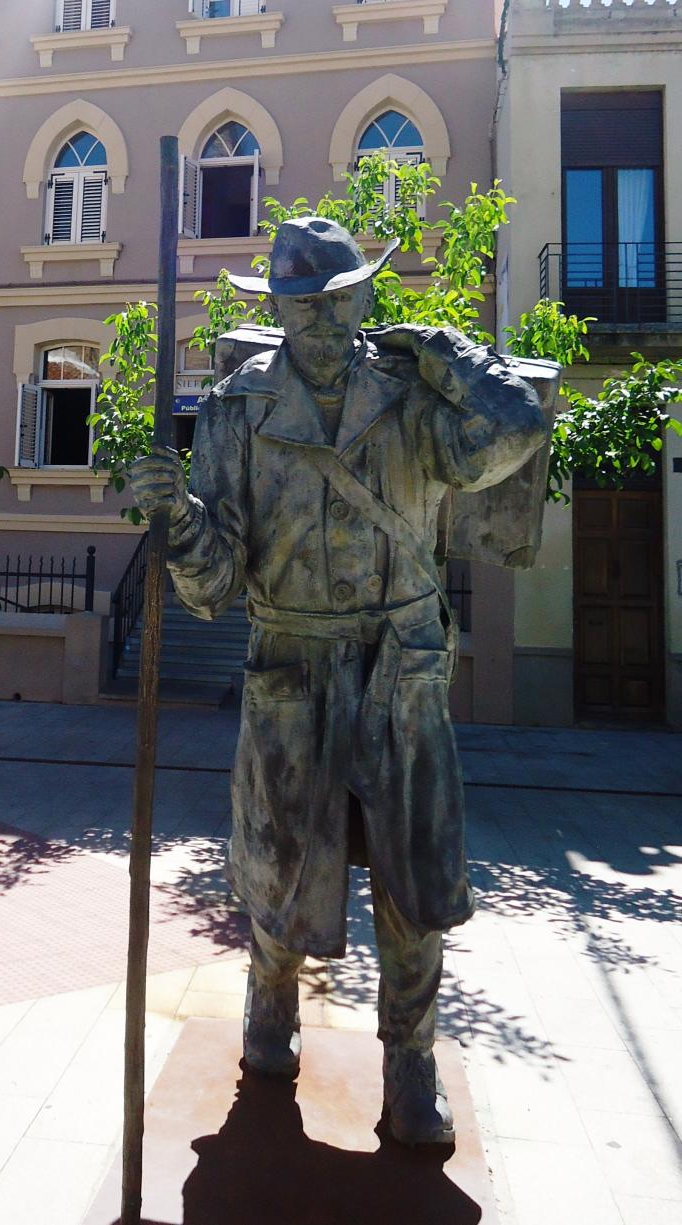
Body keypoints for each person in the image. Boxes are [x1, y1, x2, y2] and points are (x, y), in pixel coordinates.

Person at [131, 217, 547, 1146]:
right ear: (277, 308)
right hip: (292, 666)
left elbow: (517, 427)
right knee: (280, 870)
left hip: (403, 668)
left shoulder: (412, 395)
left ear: (364, 297)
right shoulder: (238, 408)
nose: (322, 319)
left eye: (340, 298)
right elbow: (215, 584)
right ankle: (270, 1004)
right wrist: (181, 521)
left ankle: (411, 1063)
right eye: (303, 303)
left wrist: (445, 348)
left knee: (414, 882)